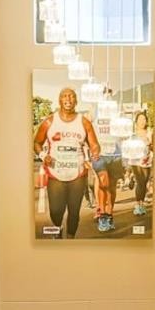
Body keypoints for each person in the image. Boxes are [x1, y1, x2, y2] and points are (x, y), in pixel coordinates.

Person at [33, 86, 99, 239]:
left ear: (76, 101)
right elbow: (36, 143)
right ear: (60, 100)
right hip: (55, 171)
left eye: (71, 96)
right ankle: (57, 228)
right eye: (65, 96)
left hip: (78, 172)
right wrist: (43, 155)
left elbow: (94, 144)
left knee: (74, 211)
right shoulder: (49, 122)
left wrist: (95, 152)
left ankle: (70, 238)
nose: (68, 98)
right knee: (56, 210)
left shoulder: (84, 122)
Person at [128, 109, 153, 216]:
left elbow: (153, 145)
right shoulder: (132, 133)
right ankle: (138, 205)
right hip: (135, 160)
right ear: (136, 121)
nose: (142, 121)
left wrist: (150, 144)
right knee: (140, 182)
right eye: (140, 119)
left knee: (145, 181)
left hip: (147, 160)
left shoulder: (149, 132)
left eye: (144, 119)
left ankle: (141, 203)